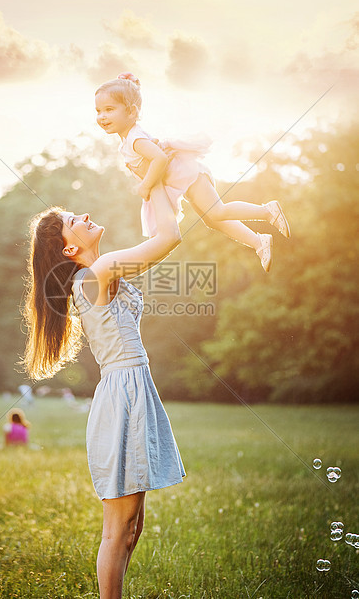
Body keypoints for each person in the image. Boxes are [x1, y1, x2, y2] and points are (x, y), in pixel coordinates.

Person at [21, 183, 185, 599]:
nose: (85, 216)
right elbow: (168, 238)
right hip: (123, 396)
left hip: (133, 388)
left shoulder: (96, 274)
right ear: (69, 251)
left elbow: (163, 234)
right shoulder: (98, 272)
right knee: (119, 527)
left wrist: (157, 185)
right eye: (73, 222)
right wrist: (158, 179)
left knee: (133, 526)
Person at [95, 72, 291, 272]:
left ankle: (267, 211)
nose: (102, 116)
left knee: (218, 211)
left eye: (109, 110)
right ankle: (259, 242)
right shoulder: (129, 140)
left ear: (131, 112)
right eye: (99, 111)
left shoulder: (135, 139)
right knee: (213, 220)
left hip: (188, 175)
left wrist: (145, 185)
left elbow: (159, 159)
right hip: (182, 180)